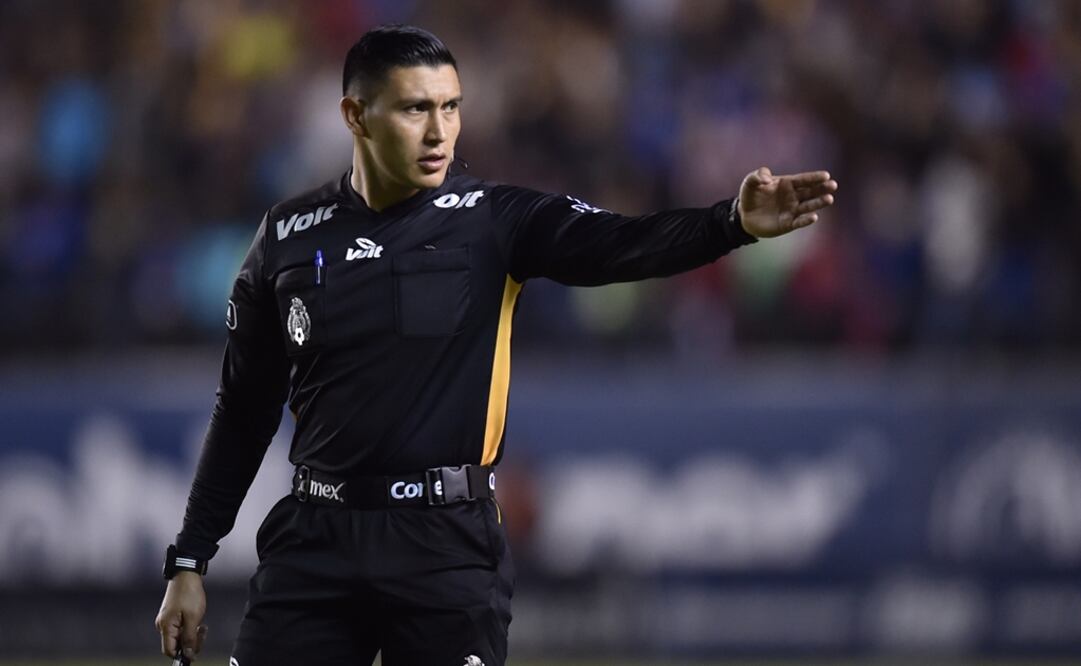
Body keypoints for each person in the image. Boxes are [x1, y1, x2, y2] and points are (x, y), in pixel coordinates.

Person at [154, 24, 837, 666]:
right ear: (355, 116)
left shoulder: (492, 219)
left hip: (444, 547)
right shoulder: (287, 236)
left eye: (450, 107)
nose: (439, 131)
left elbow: (620, 245)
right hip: (313, 540)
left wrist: (729, 223)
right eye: (414, 109)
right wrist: (190, 560)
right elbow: (242, 409)